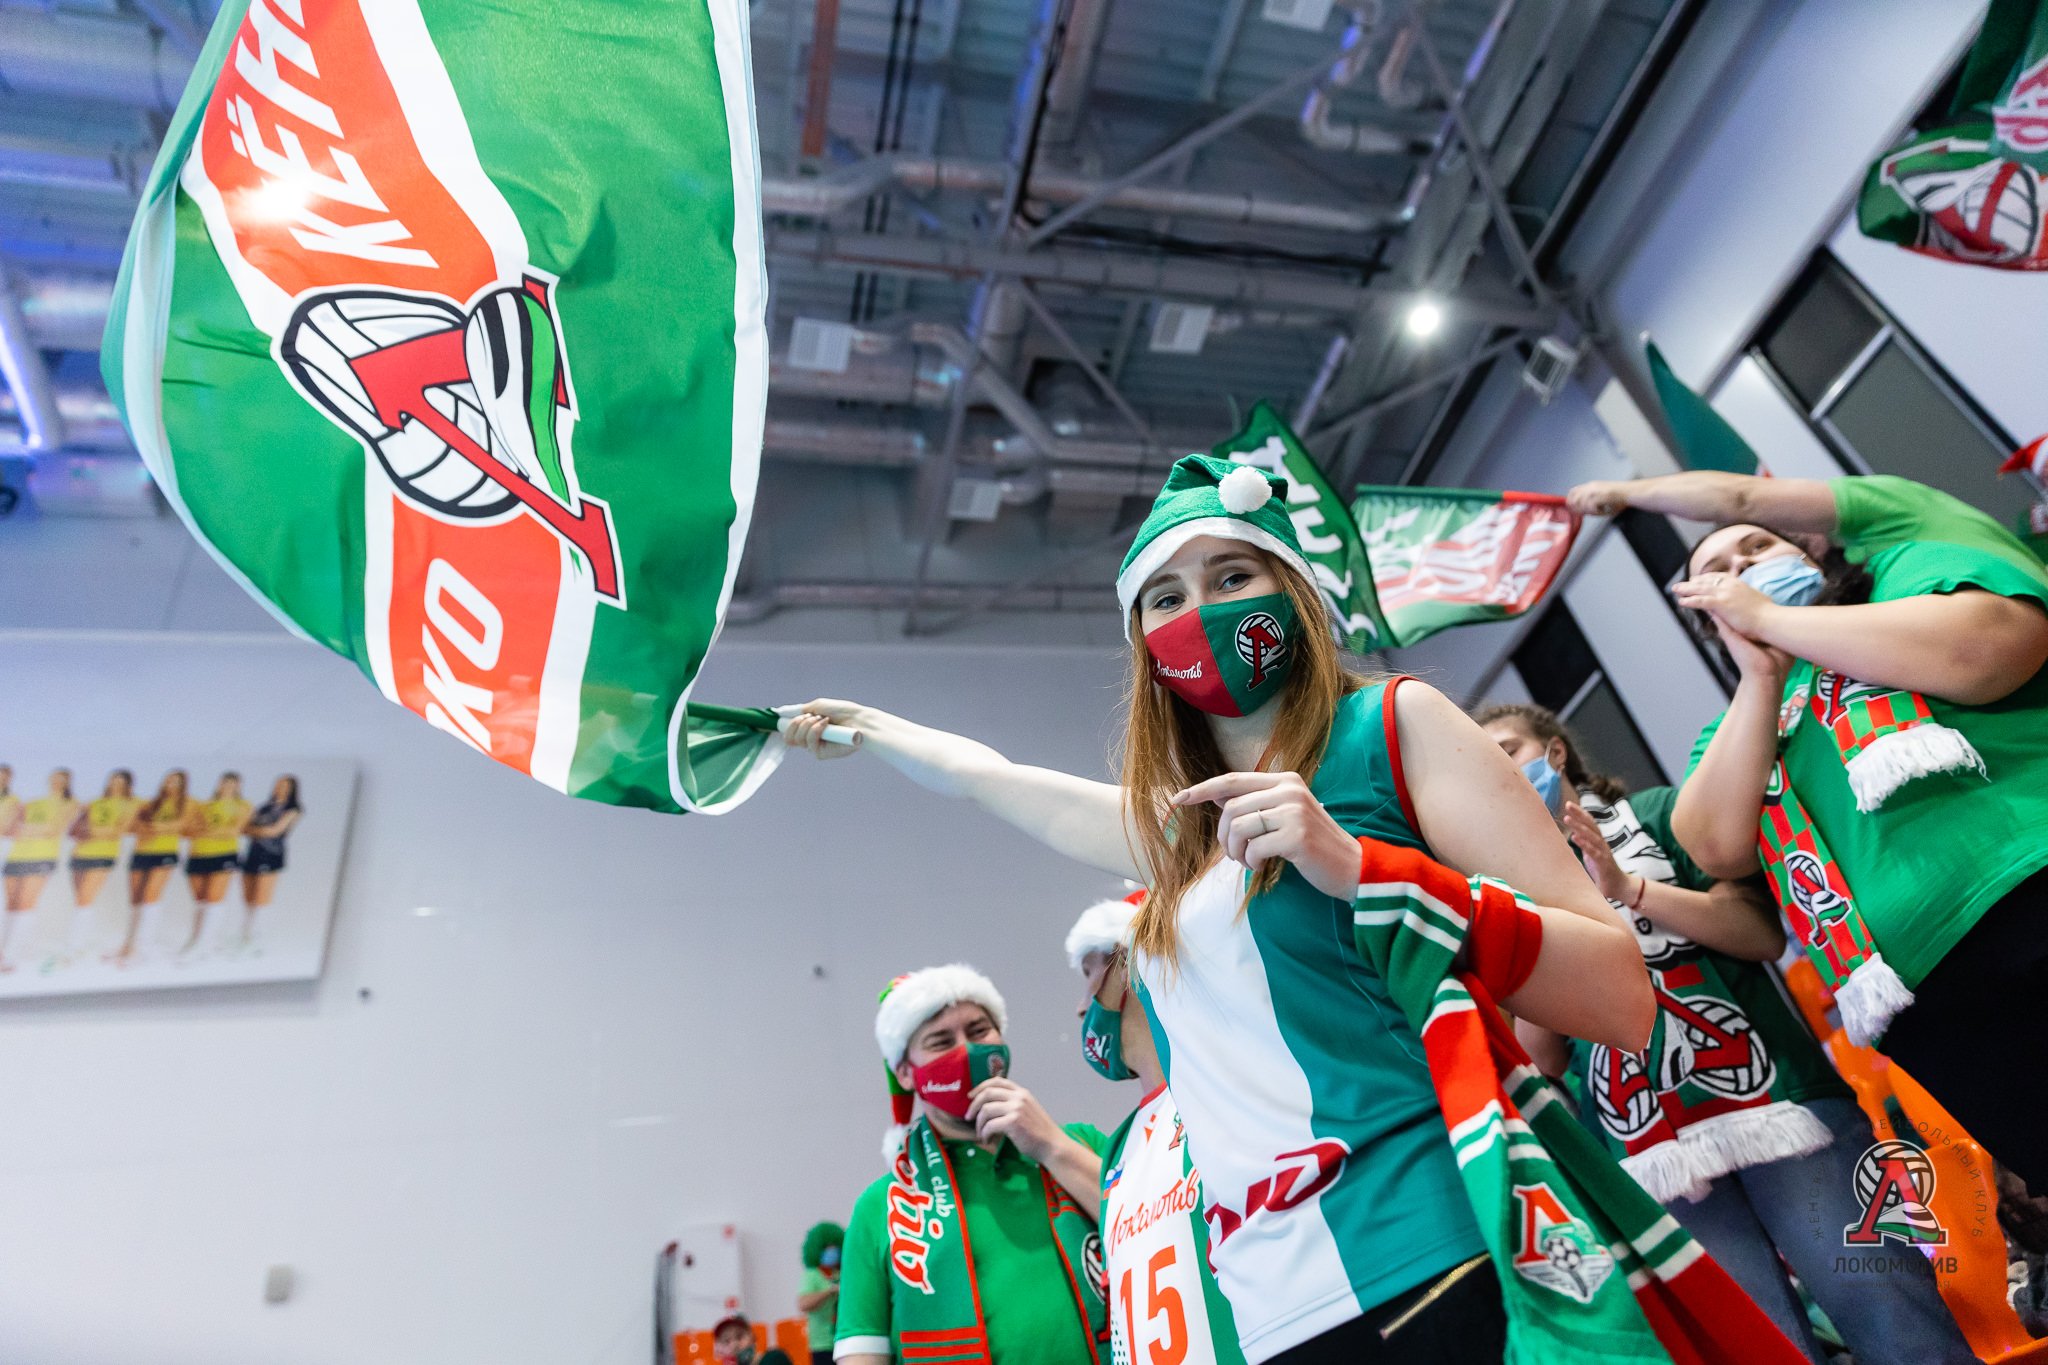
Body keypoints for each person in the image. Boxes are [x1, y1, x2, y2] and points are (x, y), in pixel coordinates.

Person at [786, 454, 1809, 1365]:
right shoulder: (1178, 832)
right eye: (1166, 596)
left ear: (1293, 589)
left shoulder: (1391, 727)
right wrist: (872, 730)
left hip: (1430, 1244)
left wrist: (1361, 868)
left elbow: (1620, 994)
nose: (1199, 612)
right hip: (1263, 1305)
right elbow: (997, 779)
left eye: (1231, 577)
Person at [1570, 469, 2048, 1189]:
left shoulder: (1895, 583)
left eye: (1757, 549)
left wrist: (1772, 619)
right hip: (1926, 997)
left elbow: (1987, 649)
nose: (1740, 570)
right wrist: (1761, 678)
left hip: (2027, 889)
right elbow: (1714, 847)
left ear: (1811, 554)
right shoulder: (1733, 730)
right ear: (1711, 624)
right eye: (1719, 573)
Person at [1479, 703, 1975, 1365]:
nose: (1502, 772)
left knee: (1892, 1317)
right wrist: (1539, 927)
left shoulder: (1661, 814)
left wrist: (1628, 888)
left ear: (1555, 752)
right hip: (1650, 1154)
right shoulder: (1506, 888)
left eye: (1508, 750)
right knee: (1757, 1349)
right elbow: (1541, 1056)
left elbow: (1760, 933)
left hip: (1783, 1100)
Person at [834, 964, 1109, 1365]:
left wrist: (1050, 1146)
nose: (966, 1051)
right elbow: (861, 1354)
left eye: (979, 1031)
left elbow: (1150, 1232)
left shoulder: (1080, 1145)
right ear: (906, 1074)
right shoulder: (881, 1206)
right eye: (941, 1041)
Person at [1066, 892, 1244, 1365]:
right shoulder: (1119, 1147)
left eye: (1090, 974)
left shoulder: (1220, 1097)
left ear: (1129, 965)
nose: (1081, 1008)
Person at [61, 770, 142, 964]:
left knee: (84, 900)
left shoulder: (131, 803)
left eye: (120, 782)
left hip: (103, 854)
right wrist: (85, 826)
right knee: (81, 902)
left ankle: (74, 949)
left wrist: (93, 831)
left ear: (127, 785)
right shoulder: (95, 803)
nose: (115, 785)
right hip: (80, 853)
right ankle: (81, 944)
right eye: (113, 780)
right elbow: (74, 830)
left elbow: (119, 830)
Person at [1, 769, 78, 973]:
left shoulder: (70, 803)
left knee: (25, 905)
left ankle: (12, 956)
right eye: (54, 777)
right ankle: (3, 952)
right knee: (11, 906)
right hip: (17, 855)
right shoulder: (33, 803)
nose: (56, 781)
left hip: (42, 856)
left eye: (61, 779)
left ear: (67, 782)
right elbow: (9, 829)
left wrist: (25, 830)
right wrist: (28, 829)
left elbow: (54, 830)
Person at [113, 769, 188, 965]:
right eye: (168, 780)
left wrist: (151, 827)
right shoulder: (150, 803)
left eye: (176, 781)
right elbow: (131, 826)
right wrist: (144, 827)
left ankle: (143, 948)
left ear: (183, 785)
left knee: (151, 897)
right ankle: (129, 944)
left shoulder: (186, 803)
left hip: (164, 853)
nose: (170, 785)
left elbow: (180, 826)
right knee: (136, 900)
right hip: (141, 852)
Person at [179, 772, 251, 959]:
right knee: (201, 900)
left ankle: (204, 945)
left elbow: (234, 830)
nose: (228, 787)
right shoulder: (203, 806)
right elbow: (186, 830)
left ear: (238, 787)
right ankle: (198, 939)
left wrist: (205, 830)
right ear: (219, 784)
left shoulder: (242, 806)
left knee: (214, 899)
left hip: (223, 854)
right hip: (197, 854)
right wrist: (210, 830)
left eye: (233, 784)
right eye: (225, 783)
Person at [237, 775, 302, 955]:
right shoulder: (264, 807)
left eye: (285, 786)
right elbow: (244, 828)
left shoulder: (293, 809)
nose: (280, 788)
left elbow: (275, 831)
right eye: (278, 784)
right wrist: (258, 831)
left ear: (292, 789)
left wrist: (256, 831)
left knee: (262, 898)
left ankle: (256, 941)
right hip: (253, 853)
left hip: (271, 854)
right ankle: (245, 936)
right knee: (248, 898)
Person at [797, 1221, 842, 1362]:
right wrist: (829, 1292)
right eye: (827, 1247)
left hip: (842, 1340)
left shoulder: (841, 1273)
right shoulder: (812, 1275)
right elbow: (803, 1304)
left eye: (835, 1246)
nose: (832, 1250)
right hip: (822, 1344)